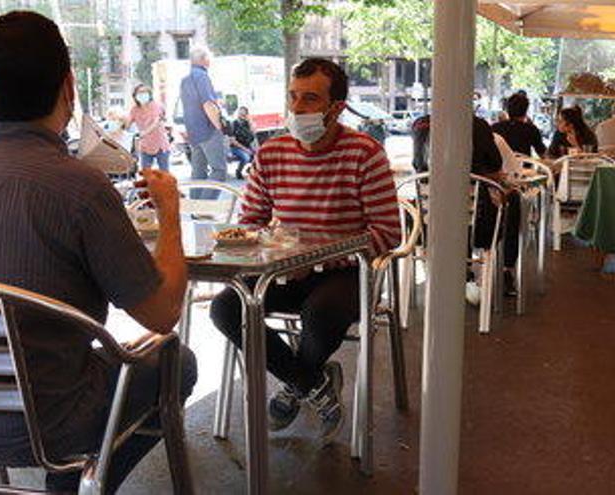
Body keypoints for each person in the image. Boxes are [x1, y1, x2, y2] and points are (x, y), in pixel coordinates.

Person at [0, 12, 197, 493]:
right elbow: (161, 314)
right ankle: (74, 486)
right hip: (48, 423)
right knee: (178, 361)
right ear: (69, 84)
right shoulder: (80, 188)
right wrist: (171, 211)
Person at [210, 58, 400, 444]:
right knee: (225, 307)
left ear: (337, 108)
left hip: (348, 269)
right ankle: (311, 381)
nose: (296, 109)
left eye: (310, 99)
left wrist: (324, 258)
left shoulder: (365, 153)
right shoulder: (272, 152)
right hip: (285, 268)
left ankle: (295, 385)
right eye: (293, 97)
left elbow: (388, 232)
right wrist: (268, 253)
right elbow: (250, 222)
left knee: (322, 312)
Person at [411, 114, 522, 297]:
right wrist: (482, 175)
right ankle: (506, 270)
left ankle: (462, 270)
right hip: (476, 230)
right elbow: (496, 166)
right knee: (512, 202)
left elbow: (417, 165)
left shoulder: (419, 124)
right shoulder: (478, 125)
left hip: (426, 228)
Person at [180, 46, 227, 196]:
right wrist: (219, 127)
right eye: (209, 57)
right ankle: (205, 208)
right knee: (219, 170)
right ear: (203, 59)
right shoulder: (202, 76)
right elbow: (208, 104)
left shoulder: (185, 80)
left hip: (194, 132)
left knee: (198, 171)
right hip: (208, 130)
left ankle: (195, 207)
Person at [125, 83, 171, 171]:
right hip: (145, 146)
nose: (142, 95)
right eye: (140, 92)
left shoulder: (157, 106)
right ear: (135, 96)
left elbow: (156, 122)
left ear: (149, 94)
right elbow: (127, 124)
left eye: (145, 92)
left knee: (164, 173)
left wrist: (143, 133)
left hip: (160, 145)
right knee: (146, 174)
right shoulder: (134, 110)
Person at [491, 92, 547, 158]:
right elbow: (542, 154)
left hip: (501, 167)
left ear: (507, 109)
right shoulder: (531, 129)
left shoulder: (495, 128)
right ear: (526, 111)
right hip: (523, 167)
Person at [229, 105, 256, 179]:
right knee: (246, 157)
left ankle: (250, 170)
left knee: (258, 155)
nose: (241, 116)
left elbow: (253, 132)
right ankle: (238, 172)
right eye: (240, 114)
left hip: (247, 146)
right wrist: (246, 150)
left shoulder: (247, 123)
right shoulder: (234, 124)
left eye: (244, 114)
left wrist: (250, 120)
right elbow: (233, 141)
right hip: (236, 147)